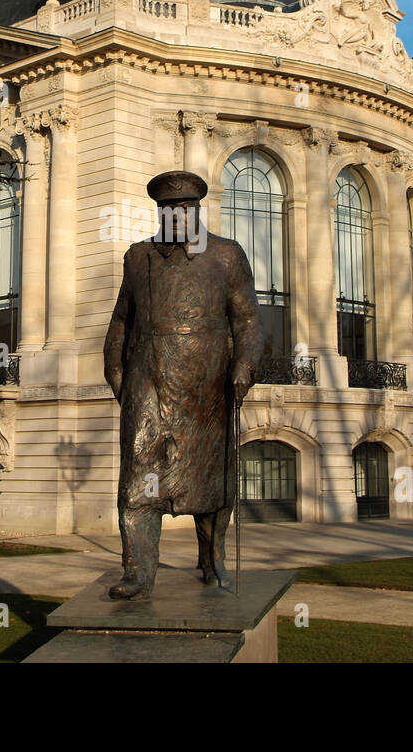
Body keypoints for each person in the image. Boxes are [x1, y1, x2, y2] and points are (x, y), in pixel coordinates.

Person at [102, 170, 264, 600]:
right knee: (139, 480)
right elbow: (122, 319)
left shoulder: (227, 255)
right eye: (169, 209)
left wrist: (244, 367)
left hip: (206, 386)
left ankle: (213, 560)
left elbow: (247, 320)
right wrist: (117, 374)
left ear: (197, 211)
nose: (177, 215)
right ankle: (138, 572)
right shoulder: (139, 257)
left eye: (186, 208)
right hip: (147, 383)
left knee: (211, 482)